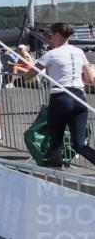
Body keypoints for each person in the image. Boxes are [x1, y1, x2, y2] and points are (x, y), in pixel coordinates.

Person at [24, 23, 95, 168]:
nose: (49, 39)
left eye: (50, 35)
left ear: (57, 35)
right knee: (80, 143)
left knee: (56, 140)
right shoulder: (79, 52)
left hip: (61, 98)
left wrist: (27, 70)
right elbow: (90, 79)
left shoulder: (51, 54)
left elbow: (28, 76)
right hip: (79, 97)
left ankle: (56, 171)